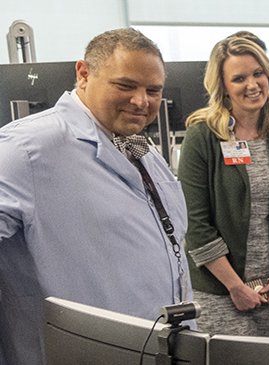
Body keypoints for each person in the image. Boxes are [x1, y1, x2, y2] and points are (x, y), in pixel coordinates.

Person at [0, 28, 192, 365]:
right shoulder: (26, 149)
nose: (141, 101)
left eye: (153, 90)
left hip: (157, 348)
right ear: (84, 74)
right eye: (125, 85)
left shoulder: (144, 152)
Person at [178, 36, 269, 337]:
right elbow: (195, 225)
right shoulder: (202, 137)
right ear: (222, 86)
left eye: (257, 73)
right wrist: (235, 286)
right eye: (239, 78)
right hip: (220, 293)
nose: (252, 84)